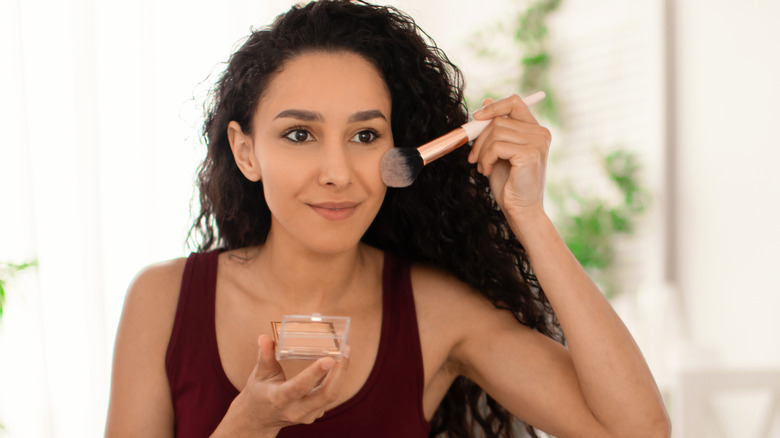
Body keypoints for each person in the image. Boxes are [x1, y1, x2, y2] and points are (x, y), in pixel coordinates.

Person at [104, 1, 670, 437]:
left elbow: (638, 431)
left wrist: (529, 217)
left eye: (365, 135)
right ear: (246, 151)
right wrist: (247, 425)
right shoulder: (162, 301)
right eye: (299, 134)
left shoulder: (436, 314)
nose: (337, 172)